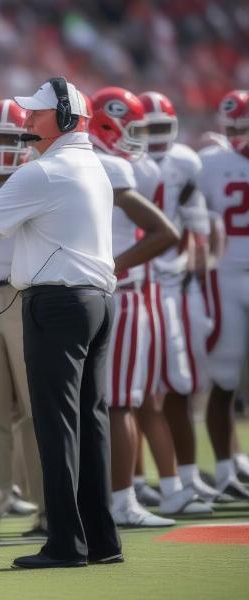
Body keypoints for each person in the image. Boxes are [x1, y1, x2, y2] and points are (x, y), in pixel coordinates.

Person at [0, 77, 121, 568]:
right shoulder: (90, 163)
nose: (27, 120)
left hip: (57, 303)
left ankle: (66, 543)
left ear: (68, 120)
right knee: (89, 423)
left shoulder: (44, 171)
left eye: (37, 113)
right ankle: (101, 539)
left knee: (56, 426)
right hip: (96, 300)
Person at [88, 86, 203, 525]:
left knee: (118, 402)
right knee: (120, 401)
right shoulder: (126, 165)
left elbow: (165, 232)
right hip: (133, 290)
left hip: (126, 290)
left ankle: (122, 501)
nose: (139, 137)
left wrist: (112, 266)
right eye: (131, 127)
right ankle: (124, 497)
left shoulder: (115, 165)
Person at [137, 91, 235, 502]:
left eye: (162, 128)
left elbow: (198, 225)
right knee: (132, 389)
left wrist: (200, 267)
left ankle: (186, 475)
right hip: (138, 284)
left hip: (175, 285)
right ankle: (138, 482)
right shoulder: (123, 164)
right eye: (149, 128)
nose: (156, 138)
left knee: (182, 382)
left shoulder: (185, 161)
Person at [0, 99, 44, 525]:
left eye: (11, 137)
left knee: (38, 413)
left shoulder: (38, 179)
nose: (2, 146)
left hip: (26, 296)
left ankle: (50, 510)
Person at [198, 89, 249, 500]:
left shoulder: (211, 162)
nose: (238, 136)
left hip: (228, 272)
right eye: (232, 127)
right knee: (224, 376)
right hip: (225, 272)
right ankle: (226, 467)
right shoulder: (210, 163)